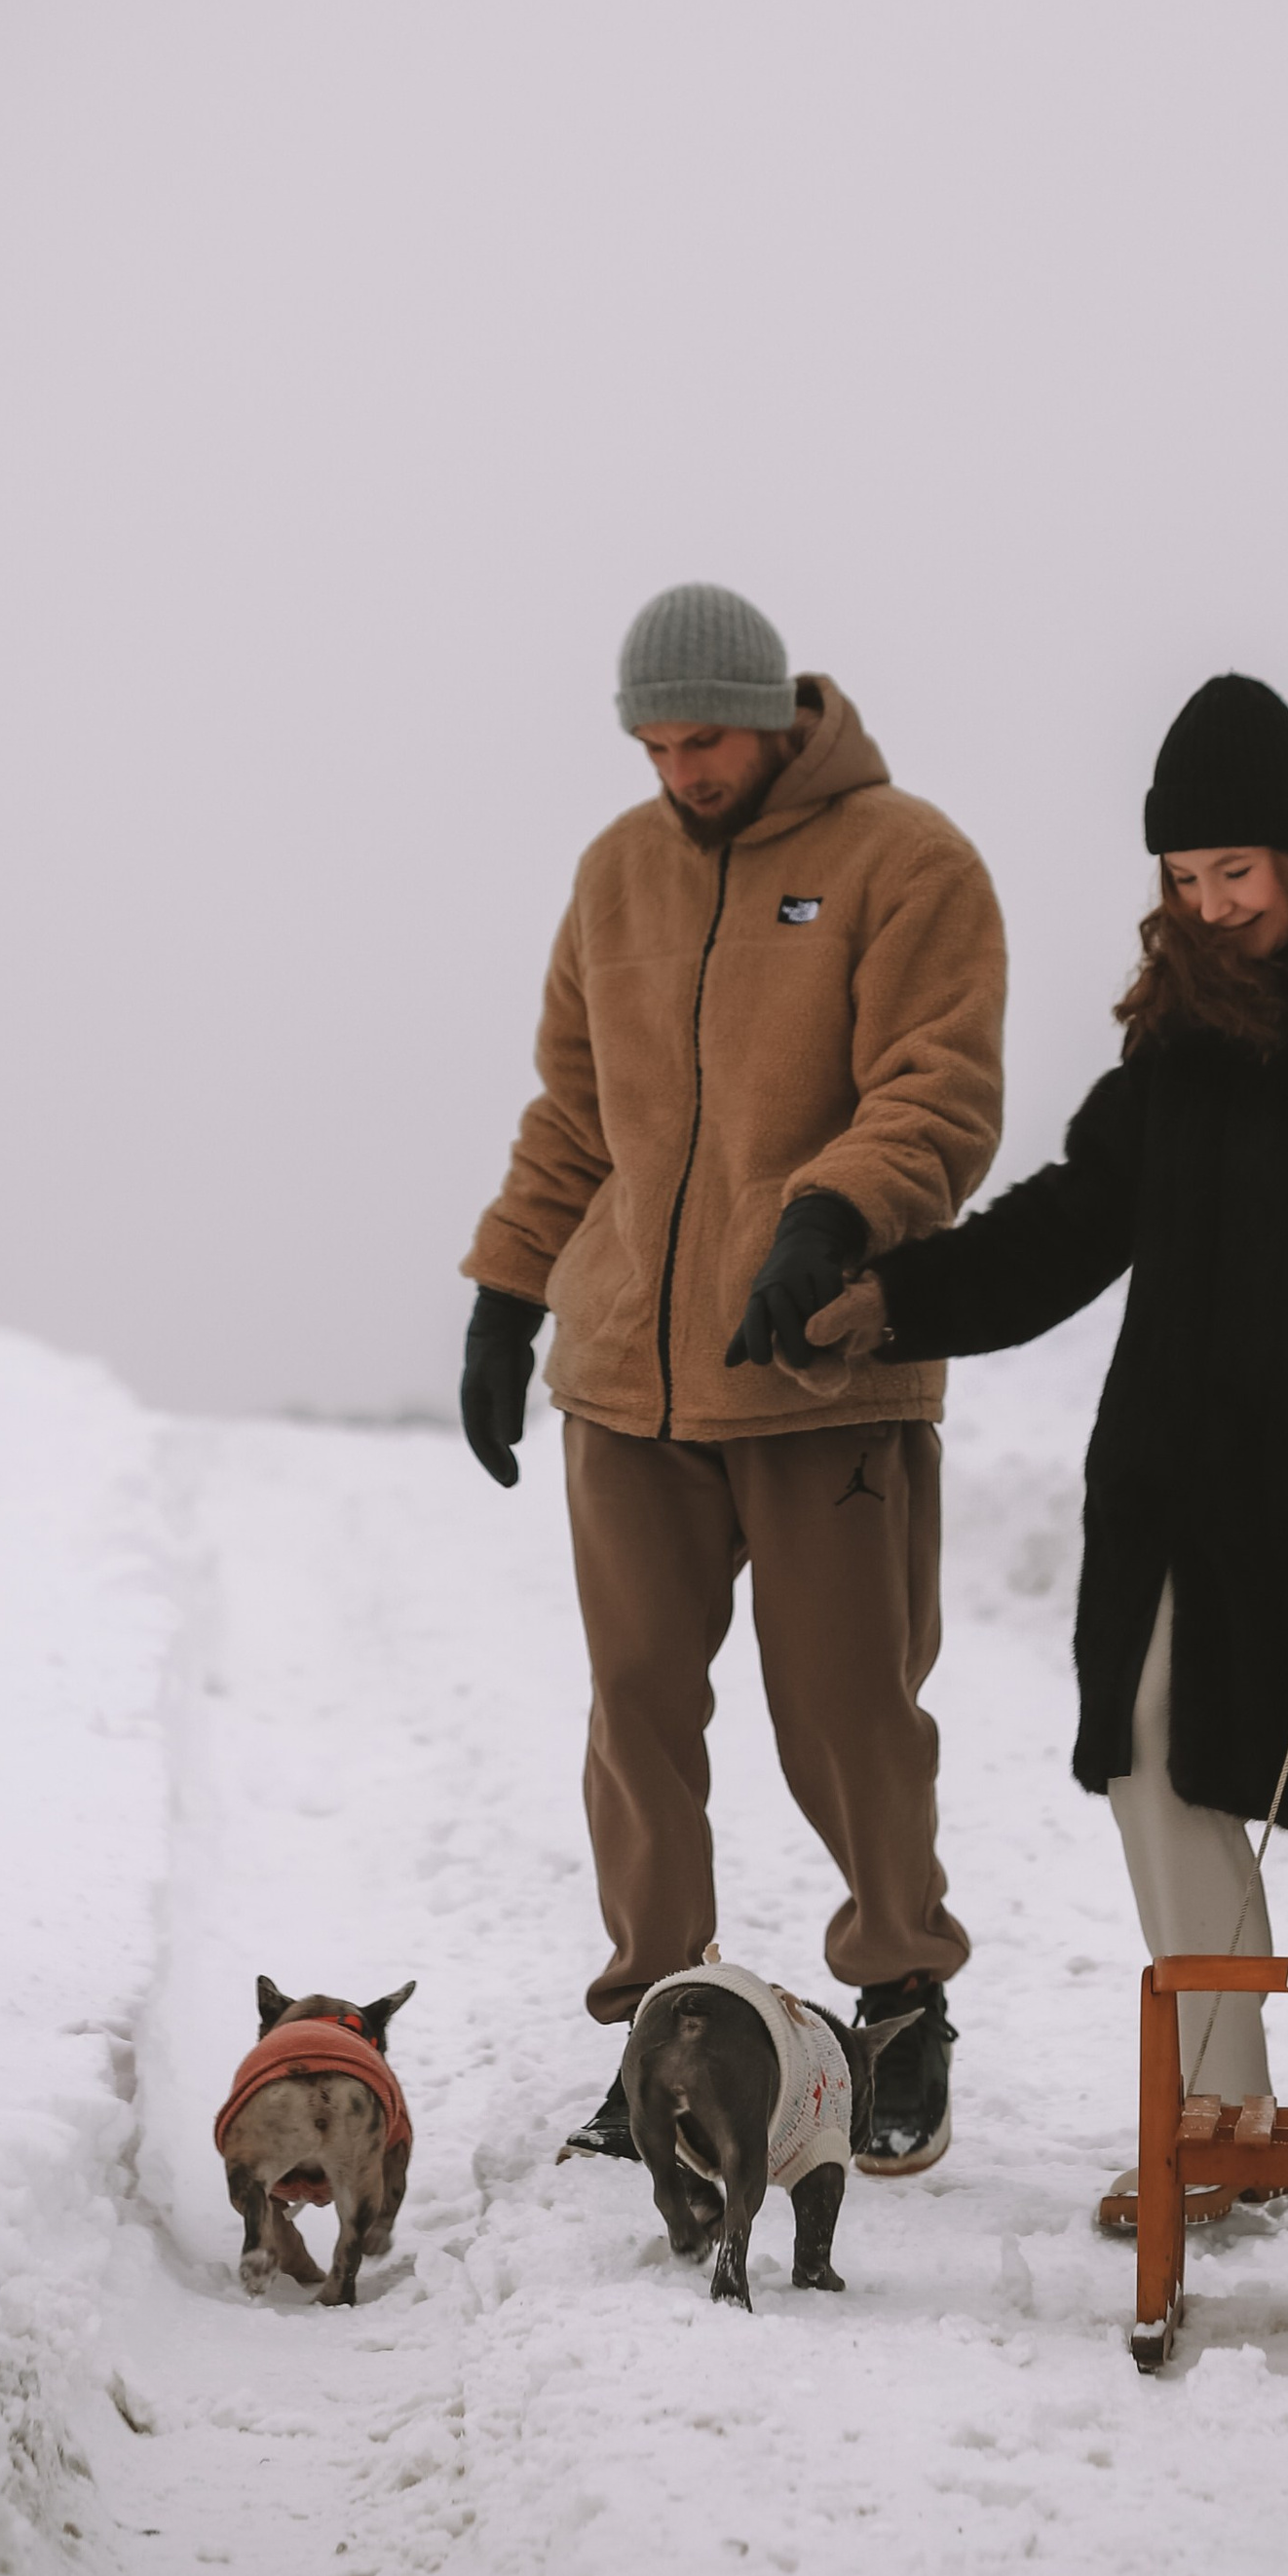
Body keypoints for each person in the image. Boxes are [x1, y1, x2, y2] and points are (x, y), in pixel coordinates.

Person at [811, 673, 1288, 2240]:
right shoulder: (1185, 1027)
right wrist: (895, 1297)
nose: (1212, 908)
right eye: (1182, 880)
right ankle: (1215, 2131)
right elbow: (1080, 1216)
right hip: (1188, 1469)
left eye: (1238, 872)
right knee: (1155, 1754)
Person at [461, 582, 1005, 2172]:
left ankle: (900, 1999)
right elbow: (576, 1111)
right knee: (636, 1710)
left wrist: (834, 1214)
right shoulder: (619, 873)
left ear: (773, 715)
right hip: (629, 1372)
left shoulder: (908, 860)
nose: (676, 770)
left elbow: (942, 1088)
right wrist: (508, 1289)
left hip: (822, 1368)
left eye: (699, 738)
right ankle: (665, 2022)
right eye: (651, 743)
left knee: (844, 1711)